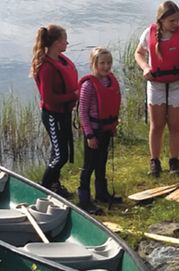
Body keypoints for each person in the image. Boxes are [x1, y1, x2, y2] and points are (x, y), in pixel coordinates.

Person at [134, 1, 179, 176]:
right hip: (156, 86)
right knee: (157, 125)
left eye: (177, 19)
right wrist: (145, 68)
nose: (175, 23)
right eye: (171, 20)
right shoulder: (149, 33)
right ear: (161, 20)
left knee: (175, 125)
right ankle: (154, 162)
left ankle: (174, 162)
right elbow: (139, 53)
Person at [30, 25, 78, 198]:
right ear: (57, 43)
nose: (67, 42)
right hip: (53, 115)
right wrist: (73, 95)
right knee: (61, 156)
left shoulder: (60, 60)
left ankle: (55, 186)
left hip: (64, 113)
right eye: (65, 39)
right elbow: (49, 98)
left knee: (56, 152)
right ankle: (42, 187)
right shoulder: (47, 68)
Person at [78, 47, 123, 214]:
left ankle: (101, 193)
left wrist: (113, 128)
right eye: (102, 63)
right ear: (93, 64)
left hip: (106, 129)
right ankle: (84, 200)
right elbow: (83, 112)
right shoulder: (89, 85)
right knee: (89, 165)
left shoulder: (110, 80)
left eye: (109, 63)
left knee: (102, 162)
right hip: (94, 131)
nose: (106, 66)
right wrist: (89, 135)